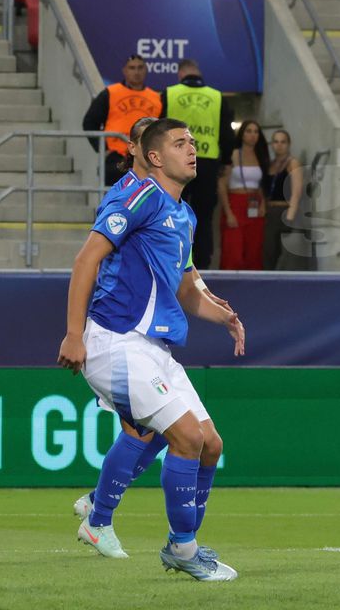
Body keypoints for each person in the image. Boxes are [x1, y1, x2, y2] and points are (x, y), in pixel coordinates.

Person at [57, 118, 244, 581]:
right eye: (181, 143)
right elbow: (86, 259)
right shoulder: (138, 196)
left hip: (154, 347)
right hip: (115, 340)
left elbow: (183, 286)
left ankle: (174, 540)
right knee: (185, 436)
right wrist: (73, 334)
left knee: (210, 445)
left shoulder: (186, 214)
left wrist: (222, 315)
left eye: (194, 143)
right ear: (154, 156)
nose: (193, 150)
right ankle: (181, 548)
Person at [161, 58, 235, 269]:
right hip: (207, 163)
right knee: (203, 217)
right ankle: (201, 265)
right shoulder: (216, 96)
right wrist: (226, 161)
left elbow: (156, 130)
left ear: (180, 74)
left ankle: (173, 259)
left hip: (174, 165)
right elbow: (228, 135)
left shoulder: (170, 93)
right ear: (198, 72)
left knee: (172, 214)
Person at [82, 55, 162, 186]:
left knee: (143, 203)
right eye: (132, 68)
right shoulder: (110, 93)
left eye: (140, 68)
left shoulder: (157, 98)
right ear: (125, 71)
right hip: (117, 158)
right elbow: (89, 122)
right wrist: (103, 149)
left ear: (146, 70)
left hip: (147, 159)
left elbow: (162, 129)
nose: (136, 72)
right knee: (114, 202)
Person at [218, 120, 268, 271]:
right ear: (242, 134)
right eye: (248, 131)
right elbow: (221, 183)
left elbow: (261, 184)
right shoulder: (233, 154)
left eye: (256, 132)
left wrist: (263, 204)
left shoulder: (261, 156)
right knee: (234, 253)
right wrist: (228, 212)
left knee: (254, 251)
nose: (252, 135)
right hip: (235, 203)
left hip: (254, 205)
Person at [263, 129, 304, 270]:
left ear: (288, 144)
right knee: (268, 251)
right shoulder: (271, 164)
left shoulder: (292, 163)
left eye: (283, 142)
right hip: (269, 211)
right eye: (276, 141)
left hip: (284, 210)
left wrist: (290, 215)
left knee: (283, 254)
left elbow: (296, 191)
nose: (279, 145)